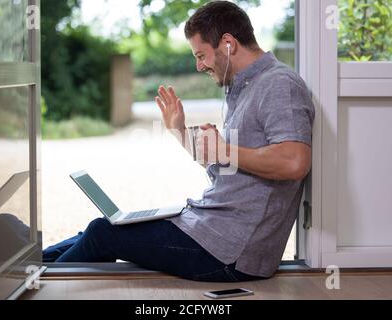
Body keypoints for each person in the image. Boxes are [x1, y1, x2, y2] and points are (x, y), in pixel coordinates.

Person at [43, 0, 315, 282]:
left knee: (103, 233)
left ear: (228, 43)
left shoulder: (279, 84)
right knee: (96, 230)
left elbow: (294, 162)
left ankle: (42, 289)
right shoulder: (242, 87)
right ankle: (21, 267)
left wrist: (225, 149)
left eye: (201, 55)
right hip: (208, 226)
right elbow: (229, 166)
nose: (199, 66)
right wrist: (180, 132)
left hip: (231, 251)